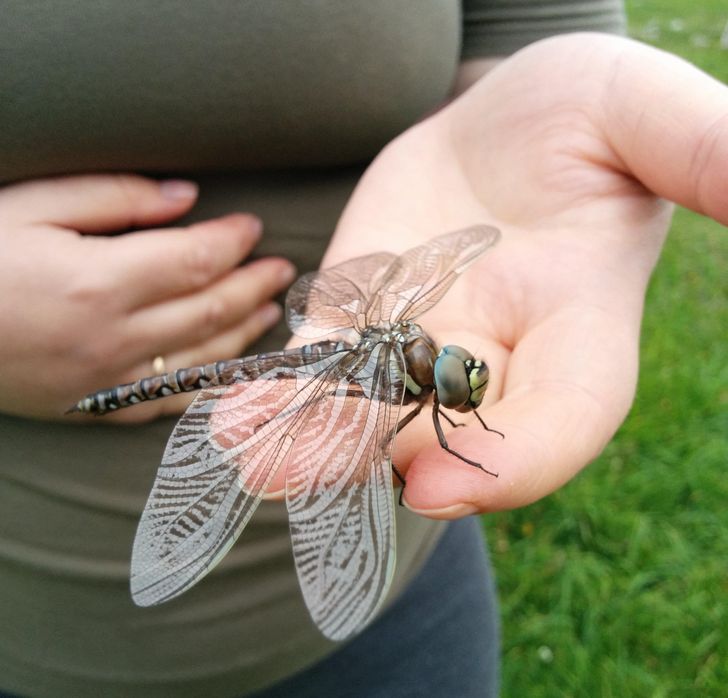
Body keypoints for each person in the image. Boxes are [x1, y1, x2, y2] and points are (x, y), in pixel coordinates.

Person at [1, 2, 726, 696]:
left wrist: (544, 91)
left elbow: (525, 23)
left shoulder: (414, 340)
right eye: (457, 382)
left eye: (459, 378)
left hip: (410, 614)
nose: (463, 381)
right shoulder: (397, 382)